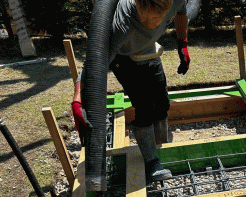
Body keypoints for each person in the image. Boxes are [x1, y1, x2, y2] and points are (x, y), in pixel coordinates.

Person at [72, 0, 191, 182]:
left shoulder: (176, 1)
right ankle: (151, 161)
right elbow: (95, 62)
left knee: (162, 104)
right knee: (145, 109)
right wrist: (78, 97)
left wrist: (182, 43)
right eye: (143, 16)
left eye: (155, 19)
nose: (147, 23)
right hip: (123, 59)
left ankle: (159, 144)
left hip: (148, 51)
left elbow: (182, 13)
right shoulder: (123, 23)